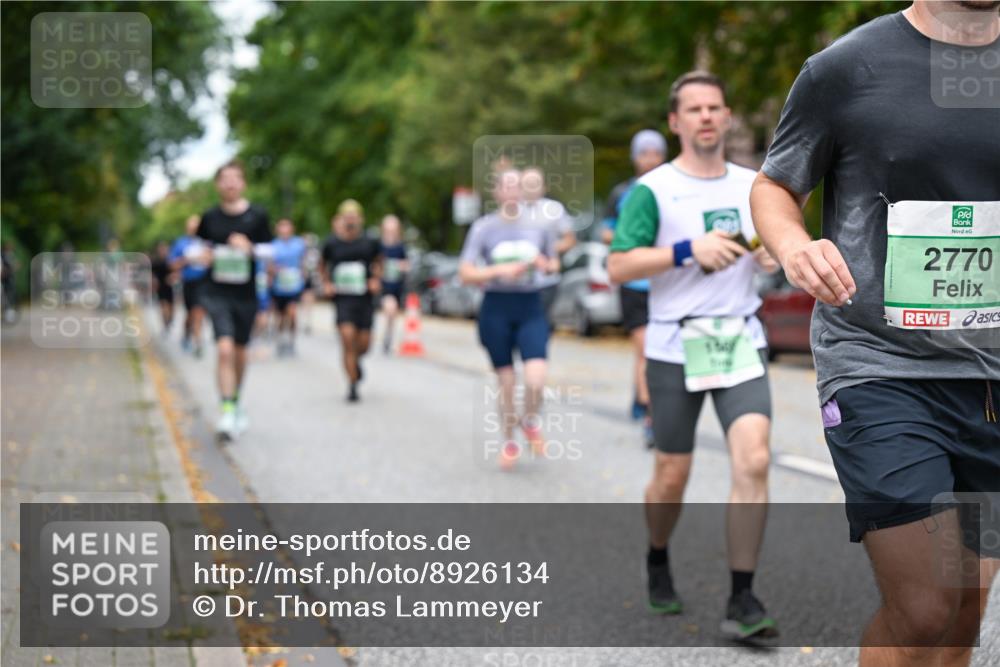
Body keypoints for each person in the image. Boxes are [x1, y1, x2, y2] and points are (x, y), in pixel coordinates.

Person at [749, 3, 999, 664]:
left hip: (992, 377)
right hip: (880, 365)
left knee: (966, 604)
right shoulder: (847, 68)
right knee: (923, 607)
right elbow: (775, 185)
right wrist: (795, 244)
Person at [607, 71, 781, 639]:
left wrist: (769, 258)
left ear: (727, 117)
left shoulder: (755, 184)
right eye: (694, 109)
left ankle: (743, 597)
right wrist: (687, 250)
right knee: (671, 475)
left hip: (739, 340)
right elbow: (619, 265)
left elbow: (770, 246)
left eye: (715, 107)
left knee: (753, 460)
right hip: (674, 344)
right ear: (675, 122)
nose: (706, 116)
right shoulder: (653, 189)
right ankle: (658, 556)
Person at [459, 169, 560, 470]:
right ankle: (510, 442)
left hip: (530, 304)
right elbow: (465, 272)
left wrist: (545, 264)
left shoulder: (541, 225)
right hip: (497, 307)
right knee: (506, 383)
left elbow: (554, 263)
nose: (515, 191)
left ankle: (529, 421)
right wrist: (498, 271)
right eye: (509, 186)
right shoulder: (484, 228)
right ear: (498, 192)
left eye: (520, 186)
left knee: (536, 378)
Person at [197, 160, 273, 440]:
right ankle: (227, 409)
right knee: (225, 349)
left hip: (247, 295)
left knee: (240, 354)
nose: (229, 183)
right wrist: (202, 256)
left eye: (235, 178)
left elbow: (271, 252)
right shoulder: (210, 217)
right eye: (224, 178)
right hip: (216, 292)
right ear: (218, 184)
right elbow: (199, 248)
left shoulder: (258, 216)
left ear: (243, 184)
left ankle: (236, 400)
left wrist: (250, 248)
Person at [602, 129, 668, 446]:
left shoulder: (673, 188)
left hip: (667, 282)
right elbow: (605, 233)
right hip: (635, 282)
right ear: (635, 157)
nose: (651, 159)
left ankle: (646, 401)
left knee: (663, 350)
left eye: (656, 153)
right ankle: (650, 416)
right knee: (645, 350)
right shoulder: (623, 193)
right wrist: (633, 240)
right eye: (645, 153)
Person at [320, 200, 382, 402]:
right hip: (343, 299)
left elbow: (379, 261)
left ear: (360, 219)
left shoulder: (370, 242)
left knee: (363, 345)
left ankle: (356, 362)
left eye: (354, 216)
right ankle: (352, 384)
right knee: (347, 339)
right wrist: (327, 283)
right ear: (341, 219)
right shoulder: (332, 243)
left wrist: (375, 279)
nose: (350, 220)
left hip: (364, 299)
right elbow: (322, 265)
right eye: (347, 216)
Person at [520, 166, 576, 323]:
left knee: (538, 322)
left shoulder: (554, 209)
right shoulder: (510, 210)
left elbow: (570, 239)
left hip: (545, 279)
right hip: (517, 279)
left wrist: (547, 251)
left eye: (535, 183)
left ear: (544, 187)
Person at [169, 215, 209, 357]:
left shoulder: (206, 243)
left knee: (199, 311)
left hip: (204, 283)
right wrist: (186, 260)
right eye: (192, 227)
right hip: (188, 283)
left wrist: (205, 259)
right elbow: (173, 265)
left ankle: (198, 341)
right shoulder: (180, 243)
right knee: (190, 313)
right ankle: (186, 334)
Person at [269, 218, 308, 356]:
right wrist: (273, 271)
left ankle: (291, 341)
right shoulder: (273, 245)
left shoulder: (299, 244)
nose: (284, 230)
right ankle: (280, 339)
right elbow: (269, 264)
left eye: (287, 227)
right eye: (282, 227)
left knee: (292, 313)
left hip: (294, 285)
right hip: (278, 286)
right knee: (280, 316)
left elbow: (303, 262)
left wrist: (303, 276)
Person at [378, 214, 409, 354]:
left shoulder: (400, 247)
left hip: (396, 284)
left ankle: (388, 335)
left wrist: (399, 266)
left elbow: (406, 264)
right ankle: (385, 336)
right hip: (383, 285)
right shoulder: (379, 246)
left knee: (393, 312)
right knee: (389, 307)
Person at [150, 240, 175, 336]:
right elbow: (152, 274)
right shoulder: (156, 262)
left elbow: (175, 271)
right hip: (160, 287)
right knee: (163, 306)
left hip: (170, 286)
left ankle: (169, 320)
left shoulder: (170, 261)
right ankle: (165, 324)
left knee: (171, 307)